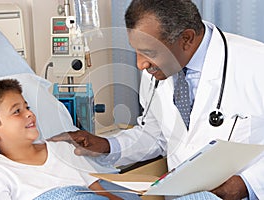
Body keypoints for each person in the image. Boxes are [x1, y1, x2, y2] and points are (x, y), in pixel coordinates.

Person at [48, 0, 264, 199]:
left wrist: (245, 184)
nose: (140, 64)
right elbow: (155, 135)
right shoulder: (156, 73)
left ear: (186, 39)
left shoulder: (256, 64)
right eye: (137, 51)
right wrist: (106, 145)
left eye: (149, 52)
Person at [0, 79, 128, 200]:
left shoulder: (63, 149)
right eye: (17, 111)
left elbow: (100, 192)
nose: (29, 113)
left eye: (27, 107)